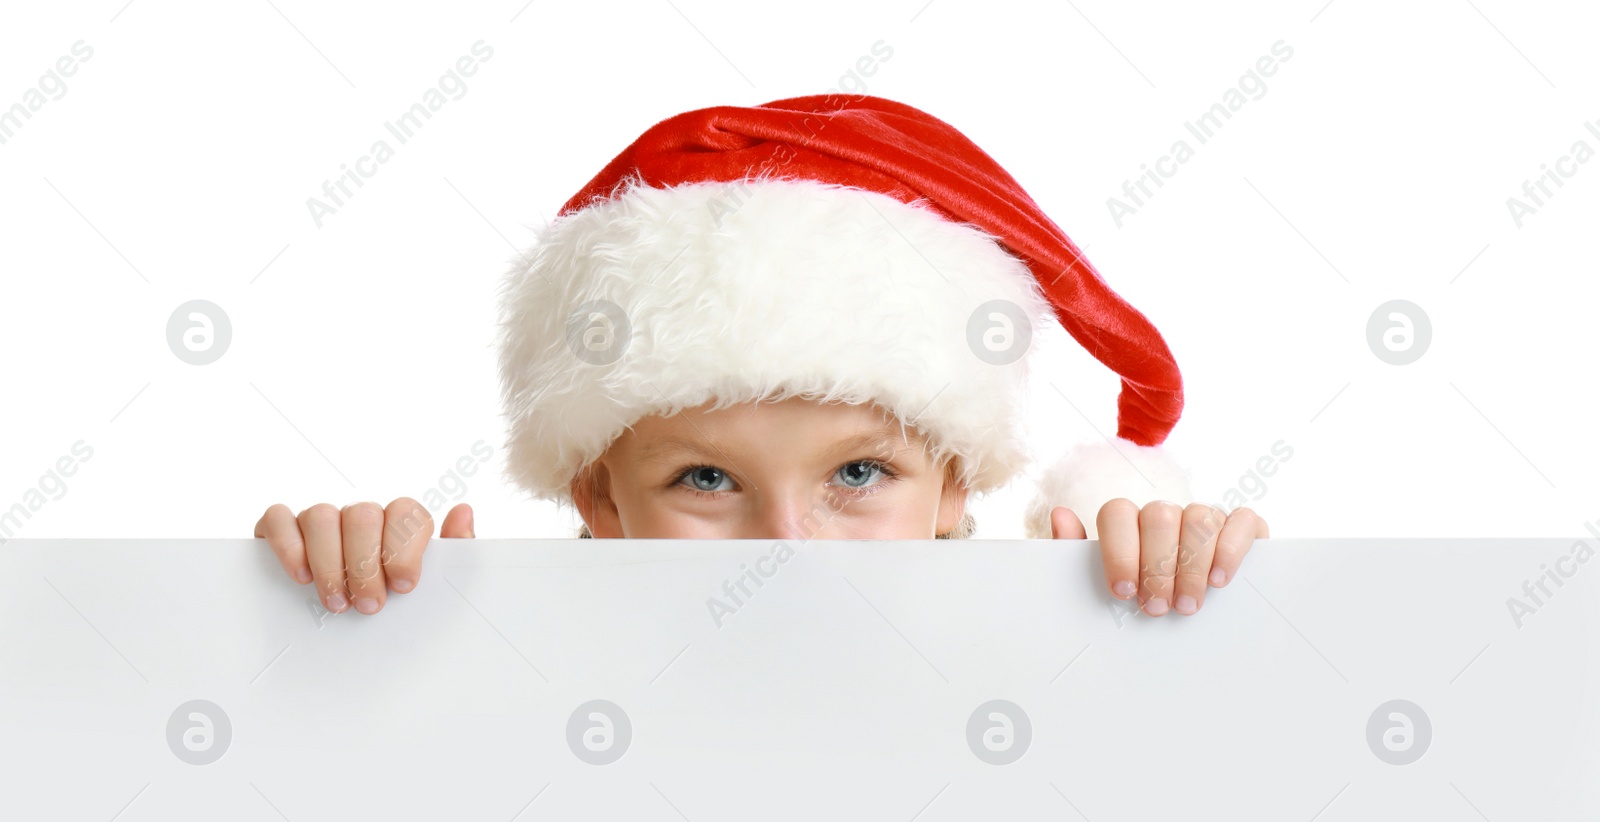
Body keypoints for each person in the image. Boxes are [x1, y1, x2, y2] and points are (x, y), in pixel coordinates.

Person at [255, 94, 1266, 618]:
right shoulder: (519, 670)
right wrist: (359, 611)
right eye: (704, 476)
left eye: (860, 471)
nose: (785, 542)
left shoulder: (1039, 657)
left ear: (954, 485)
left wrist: (1170, 598)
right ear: (600, 501)